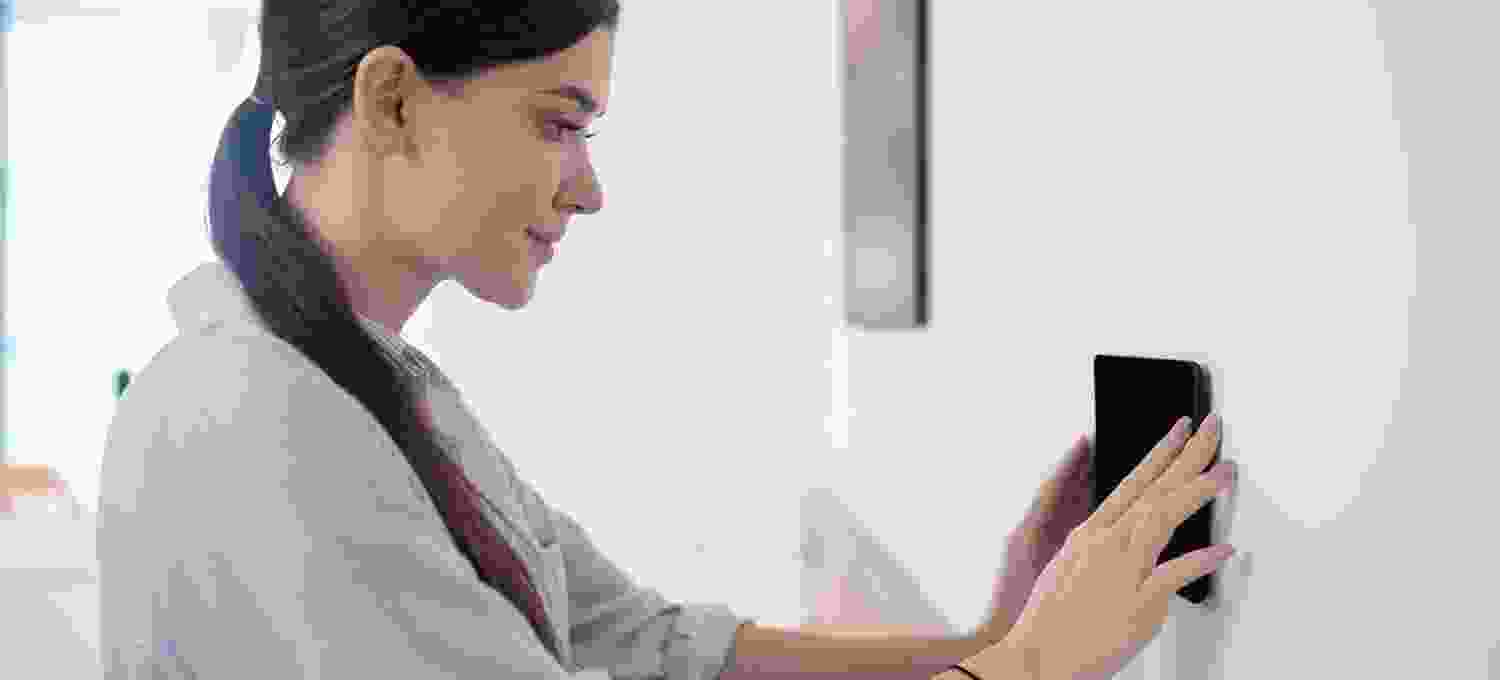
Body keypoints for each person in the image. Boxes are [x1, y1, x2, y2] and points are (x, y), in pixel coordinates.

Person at [96, 2, 1239, 679]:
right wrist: (1024, 667)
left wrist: (992, 634)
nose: (588, 188)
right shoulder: (258, 426)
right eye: (559, 123)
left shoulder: (390, 394)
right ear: (392, 99)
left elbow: (659, 645)